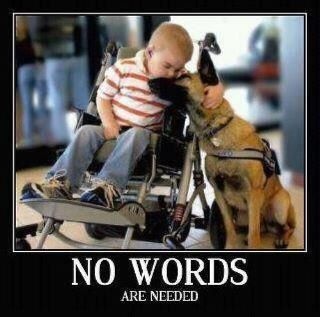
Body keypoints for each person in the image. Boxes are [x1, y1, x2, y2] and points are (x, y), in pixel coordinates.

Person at [21, 22, 225, 209]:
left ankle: (107, 187)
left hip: (146, 135)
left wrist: (216, 87)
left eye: (178, 68)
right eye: (168, 66)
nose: (173, 73)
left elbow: (203, 87)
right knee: (85, 132)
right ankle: (59, 183)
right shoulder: (124, 68)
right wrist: (108, 122)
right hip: (112, 127)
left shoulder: (178, 78)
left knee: (137, 133)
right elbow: (102, 97)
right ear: (151, 52)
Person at [27, 16, 90, 144]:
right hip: (74, 54)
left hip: (59, 55)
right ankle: (82, 139)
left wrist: (40, 57)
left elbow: (35, 29)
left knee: (60, 102)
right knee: (81, 100)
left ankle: (68, 142)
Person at [16, 16, 48, 146]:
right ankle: (44, 137)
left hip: (23, 72)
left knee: (27, 107)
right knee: (41, 105)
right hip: (36, 69)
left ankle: (29, 140)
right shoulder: (30, 36)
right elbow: (38, 52)